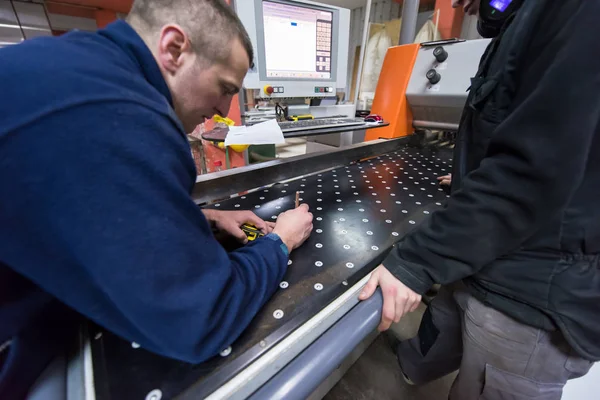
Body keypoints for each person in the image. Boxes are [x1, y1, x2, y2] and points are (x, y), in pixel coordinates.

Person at [0, 0, 313, 397]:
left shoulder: (79, 67)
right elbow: (202, 318)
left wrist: (202, 218)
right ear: (174, 49)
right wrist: (280, 242)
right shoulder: (124, 116)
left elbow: (81, 205)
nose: (222, 110)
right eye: (225, 89)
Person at [360, 0, 599, 398]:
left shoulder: (579, 12)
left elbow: (534, 171)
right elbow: (528, 130)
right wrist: (474, 173)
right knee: (439, 330)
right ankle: (411, 369)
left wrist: (414, 262)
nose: (458, 4)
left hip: (529, 293)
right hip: (483, 255)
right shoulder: (524, 19)